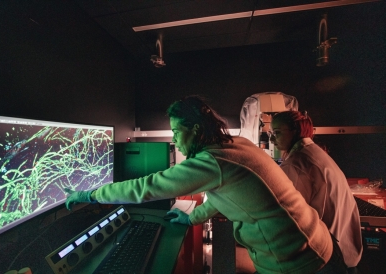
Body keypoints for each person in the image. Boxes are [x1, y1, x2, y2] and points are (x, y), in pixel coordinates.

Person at [65, 95, 347, 274]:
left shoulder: (212, 162)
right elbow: (227, 196)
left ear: (196, 130)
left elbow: (145, 187)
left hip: (300, 261)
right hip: (316, 245)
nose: (174, 140)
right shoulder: (236, 144)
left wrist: (87, 194)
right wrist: (191, 219)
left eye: (177, 131)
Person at [269, 111, 362, 273]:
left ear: (295, 131)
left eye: (277, 133)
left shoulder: (296, 163)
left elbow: (290, 217)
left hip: (323, 261)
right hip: (345, 259)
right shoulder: (316, 154)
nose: (272, 139)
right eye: (271, 133)